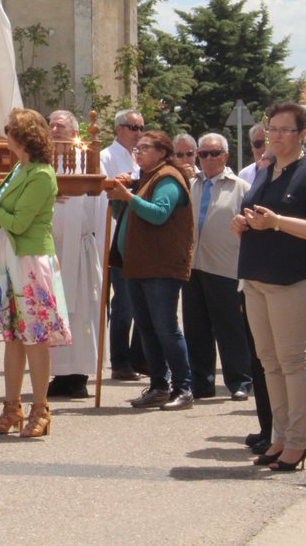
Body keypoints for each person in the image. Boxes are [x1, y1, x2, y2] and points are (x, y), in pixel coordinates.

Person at [231, 101, 306, 472]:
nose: (275, 136)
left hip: (291, 280)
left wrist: (277, 222)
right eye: (271, 129)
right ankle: (278, 435)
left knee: (293, 361)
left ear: (303, 132)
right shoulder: (265, 170)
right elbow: (257, 212)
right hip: (256, 277)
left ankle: (298, 442)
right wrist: (243, 222)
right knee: (269, 362)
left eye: (284, 130)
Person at [0, 109, 70, 438]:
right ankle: (12, 408)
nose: (5, 137)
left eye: (9, 132)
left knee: (35, 337)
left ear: (21, 137)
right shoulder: (19, 168)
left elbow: (19, 223)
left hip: (31, 259)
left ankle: (40, 408)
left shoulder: (41, 173)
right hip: (10, 258)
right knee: (12, 337)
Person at [107, 130, 196, 411]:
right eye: (138, 148)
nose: (139, 152)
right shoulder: (145, 178)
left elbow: (158, 214)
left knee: (166, 328)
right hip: (137, 265)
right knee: (146, 328)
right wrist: (118, 197)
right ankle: (159, 385)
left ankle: (183, 387)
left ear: (162, 151)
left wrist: (128, 196)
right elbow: (123, 215)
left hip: (161, 267)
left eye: (145, 147)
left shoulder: (168, 177)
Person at [182, 134, 252, 400]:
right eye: (203, 153)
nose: (209, 159)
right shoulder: (190, 185)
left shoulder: (241, 188)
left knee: (230, 328)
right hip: (193, 267)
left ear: (225, 155)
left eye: (215, 153)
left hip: (225, 267)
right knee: (196, 327)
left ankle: (240, 381)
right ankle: (202, 382)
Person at [45, 110, 103, 399]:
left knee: (79, 313)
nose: (55, 129)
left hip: (78, 250)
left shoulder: (87, 159)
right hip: (48, 249)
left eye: (61, 126)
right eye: (51, 125)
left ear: (74, 132)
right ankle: (58, 373)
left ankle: (77, 375)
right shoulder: (40, 163)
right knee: (53, 312)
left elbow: (99, 208)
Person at [101, 108, 146, 381]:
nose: (138, 133)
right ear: (119, 128)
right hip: (117, 237)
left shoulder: (141, 157)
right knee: (124, 302)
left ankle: (139, 357)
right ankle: (120, 360)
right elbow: (103, 195)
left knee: (141, 300)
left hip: (140, 236)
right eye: (133, 127)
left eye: (141, 127)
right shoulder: (106, 157)